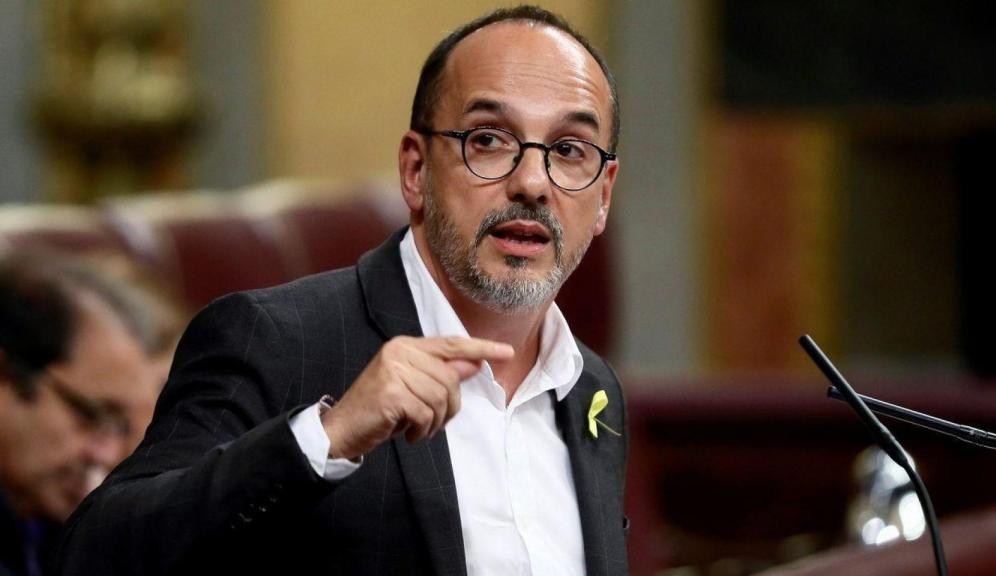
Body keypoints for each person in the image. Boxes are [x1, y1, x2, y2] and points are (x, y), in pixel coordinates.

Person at [58, 5, 627, 575]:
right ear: (415, 170)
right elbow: (94, 555)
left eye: (570, 150)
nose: (531, 183)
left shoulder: (591, 388)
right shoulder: (276, 340)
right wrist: (325, 440)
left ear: (602, 197)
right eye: (488, 140)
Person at [0, 255, 153, 576]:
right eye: (89, 415)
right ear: (6, 375)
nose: (109, 453)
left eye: (119, 426)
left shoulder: (50, 524)